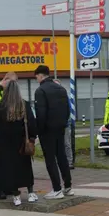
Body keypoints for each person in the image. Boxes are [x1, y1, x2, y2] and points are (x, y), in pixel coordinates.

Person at [0, 81, 38, 206]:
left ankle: (16, 196)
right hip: (22, 143)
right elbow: (32, 123)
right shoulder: (24, 105)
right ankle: (31, 193)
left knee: (10, 170)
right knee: (25, 167)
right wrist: (32, 138)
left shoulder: (0, 107)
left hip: (5, 145)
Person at [34, 65, 73, 199]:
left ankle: (57, 189)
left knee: (50, 160)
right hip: (61, 128)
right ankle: (68, 186)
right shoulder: (61, 89)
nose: (37, 80)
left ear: (40, 75)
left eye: (36, 77)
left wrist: (39, 131)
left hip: (47, 131)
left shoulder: (40, 91)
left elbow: (41, 113)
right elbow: (68, 109)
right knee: (62, 157)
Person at [53, 79, 74, 169]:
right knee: (56, 144)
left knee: (66, 143)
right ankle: (58, 162)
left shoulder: (65, 96)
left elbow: (68, 110)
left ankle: (69, 162)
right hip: (54, 125)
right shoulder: (51, 98)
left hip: (65, 124)